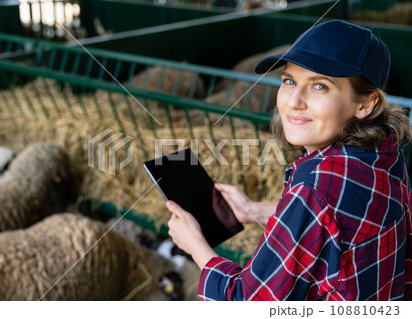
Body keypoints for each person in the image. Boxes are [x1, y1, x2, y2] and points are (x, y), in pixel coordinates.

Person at [166, 20, 412, 301]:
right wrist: (257, 211)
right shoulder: (385, 153)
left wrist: (196, 246)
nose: (294, 100)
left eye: (320, 86)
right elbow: (343, 224)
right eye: (289, 81)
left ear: (365, 104)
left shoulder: (314, 187)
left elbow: (245, 303)